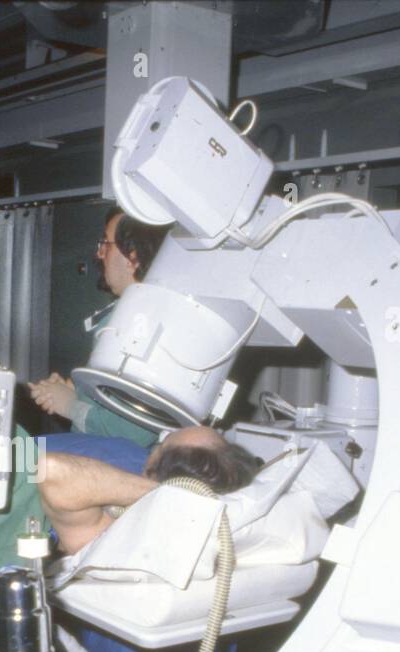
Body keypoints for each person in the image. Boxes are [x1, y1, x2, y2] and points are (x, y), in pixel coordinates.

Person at [28, 206, 170, 447]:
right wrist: (77, 391)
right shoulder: (130, 313)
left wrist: (70, 405)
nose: (100, 254)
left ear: (132, 256)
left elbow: (131, 433)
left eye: (106, 244)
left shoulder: (140, 323)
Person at [38, 425, 261, 556]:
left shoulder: (112, 528)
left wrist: (168, 495)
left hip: (19, 459)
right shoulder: (136, 463)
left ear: (154, 470)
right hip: (22, 444)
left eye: (161, 444)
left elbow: (47, 469)